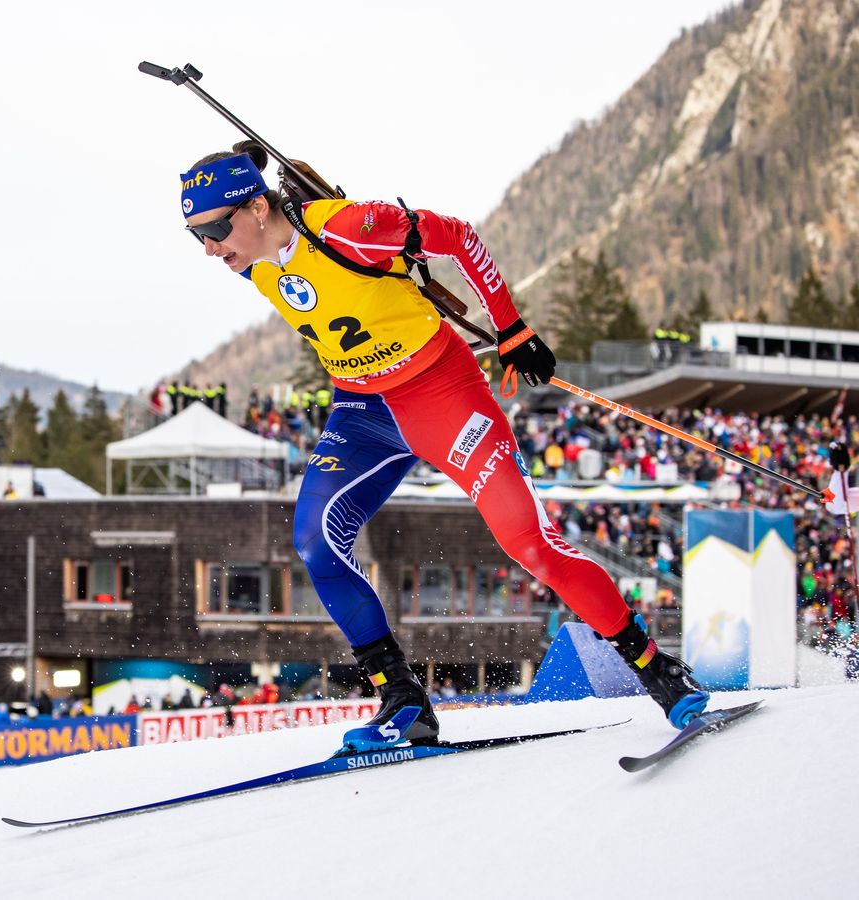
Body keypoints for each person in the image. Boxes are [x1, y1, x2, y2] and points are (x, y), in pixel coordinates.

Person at [176, 143, 708, 741]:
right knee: (316, 542)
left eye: (216, 230)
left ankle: (657, 669)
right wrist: (242, 160)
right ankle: (401, 697)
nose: (209, 249)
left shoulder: (350, 228)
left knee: (528, 541)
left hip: (441, 394)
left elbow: (457, 237)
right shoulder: (251, 259)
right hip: (362, 411)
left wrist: (511, 326)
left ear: (254, 208)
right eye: (195, 236)